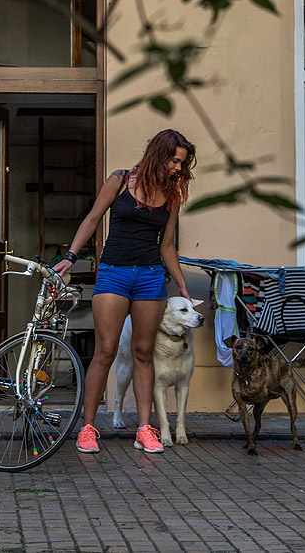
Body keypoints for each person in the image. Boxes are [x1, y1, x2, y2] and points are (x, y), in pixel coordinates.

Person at [53, 129, 196, 454]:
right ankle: (87, 429)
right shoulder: (119, 180)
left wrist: (183, 284)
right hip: (114, 274)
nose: (177, 168)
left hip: (149, 278)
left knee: (144, 353)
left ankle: (145, 429)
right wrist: (70, 257)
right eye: (174, 160)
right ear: (159, 154)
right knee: (105, 351)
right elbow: (92, 219)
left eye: (181, 163)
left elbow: (168, 246)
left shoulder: (172, 197)